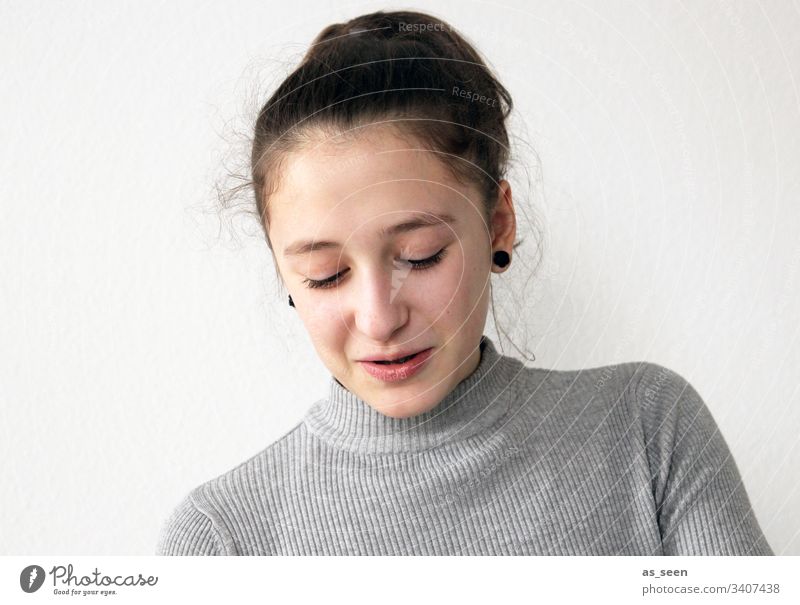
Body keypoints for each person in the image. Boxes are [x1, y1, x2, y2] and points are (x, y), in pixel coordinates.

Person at [156, 9, 772, 556]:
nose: (379, 319)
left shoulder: (646, 428)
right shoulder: (221, 542)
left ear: (498, 223)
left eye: (420, 256)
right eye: (325, 275)